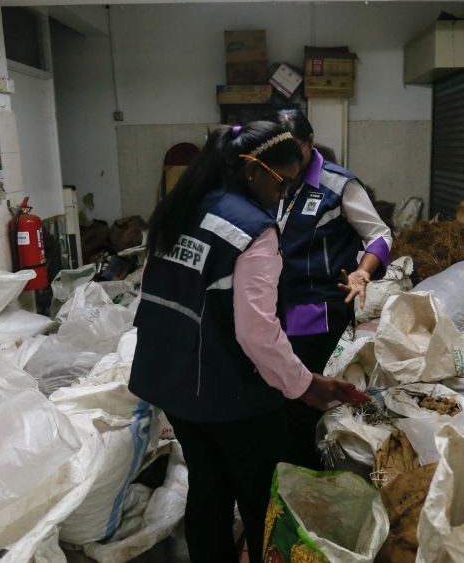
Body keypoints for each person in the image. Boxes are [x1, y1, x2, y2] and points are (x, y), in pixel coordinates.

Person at [129, 121, 368, 563]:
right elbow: (256, 332)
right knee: (261, 499)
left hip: (173, 383)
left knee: (208, 487)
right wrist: (305, 385)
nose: (285, 197)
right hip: (227, 393)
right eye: (283, 184)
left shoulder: (182, 209)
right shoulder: (253, 230)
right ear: (252, 170)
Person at [274, 111, 393, 469]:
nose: (288, 161)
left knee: (302, 393)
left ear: (310, 142)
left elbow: (381, 235)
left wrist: (362, 271)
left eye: (294, 149)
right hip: (276, 303)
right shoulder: (274, 180)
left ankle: (307, 470)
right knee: (283, 389)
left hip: (318, 306)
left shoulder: (338, 185)